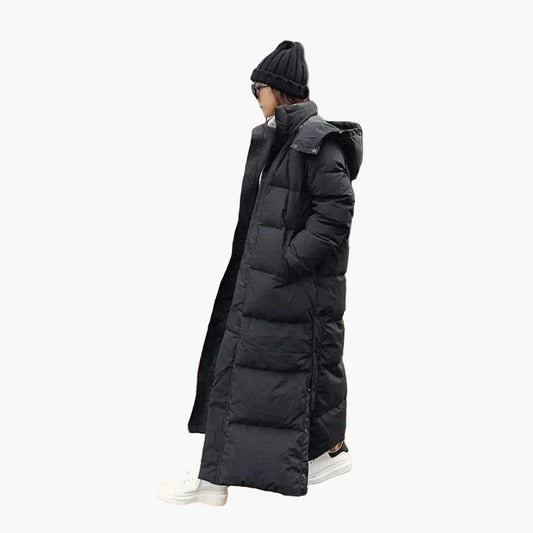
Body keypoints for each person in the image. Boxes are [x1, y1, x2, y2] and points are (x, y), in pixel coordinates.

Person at [158, 40, 363, 506]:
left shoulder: (317, 141)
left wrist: (288, 261)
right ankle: (217, 476)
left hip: (286, 289)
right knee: (240, 375)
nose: (255, 96)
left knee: (263, 379)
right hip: (267, 286)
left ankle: (233, 474)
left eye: (259, 88)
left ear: (279, 89)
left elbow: (336, 213)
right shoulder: (285, 139)